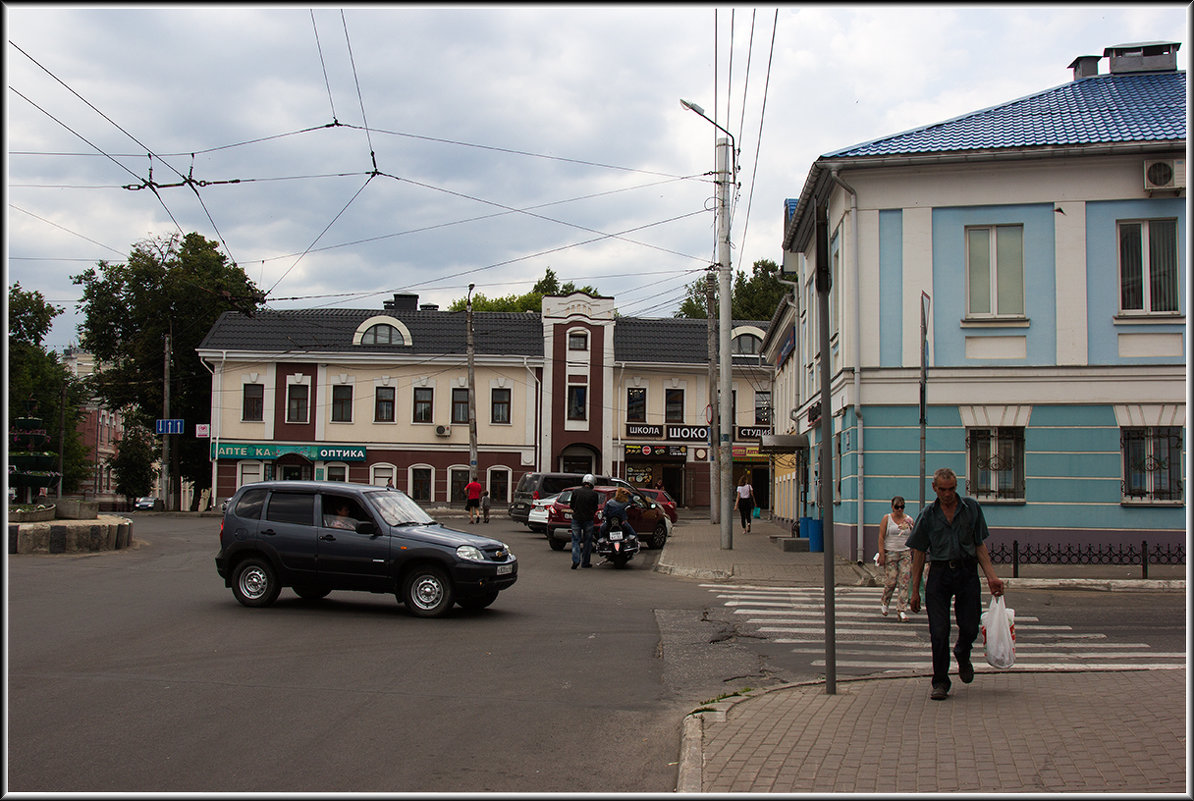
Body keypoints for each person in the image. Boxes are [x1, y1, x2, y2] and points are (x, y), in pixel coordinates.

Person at [907, 467, 1005, 701]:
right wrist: (915, 590)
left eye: (951, 489)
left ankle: (962, 652)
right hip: (939, 574)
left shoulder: (971, 509)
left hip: (966, 572)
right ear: (935, 488)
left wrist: (992, 577)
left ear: (956, 487)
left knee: (970, 626)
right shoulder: (928, 514)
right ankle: (940, 681)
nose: (948, 494)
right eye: (943, 489)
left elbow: (979, 545)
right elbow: (919, 552)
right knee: (938, 632)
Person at [877, 496, 914, 622]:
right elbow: (881, 537)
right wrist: (882, 554)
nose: (899, 510)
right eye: (897, 507)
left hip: (905, 552)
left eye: (902, 507)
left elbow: (913, 537)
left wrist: (913, 555)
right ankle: (885, 601)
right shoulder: (887, 519)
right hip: (891, 552)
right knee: (891, 581)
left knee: (904, 581)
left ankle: (901, 610)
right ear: (892, 507)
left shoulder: (908, 520)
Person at [568, 474, 600, 569]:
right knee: (588, 541)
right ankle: (585, 562)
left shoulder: (576, 492)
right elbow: (595, 507)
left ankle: (575, 560)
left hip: (576, 518)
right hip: (588, 520)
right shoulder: (594, 494)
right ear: (592, 483)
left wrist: (576, 510)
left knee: (575, 540)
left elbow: (571, 505)